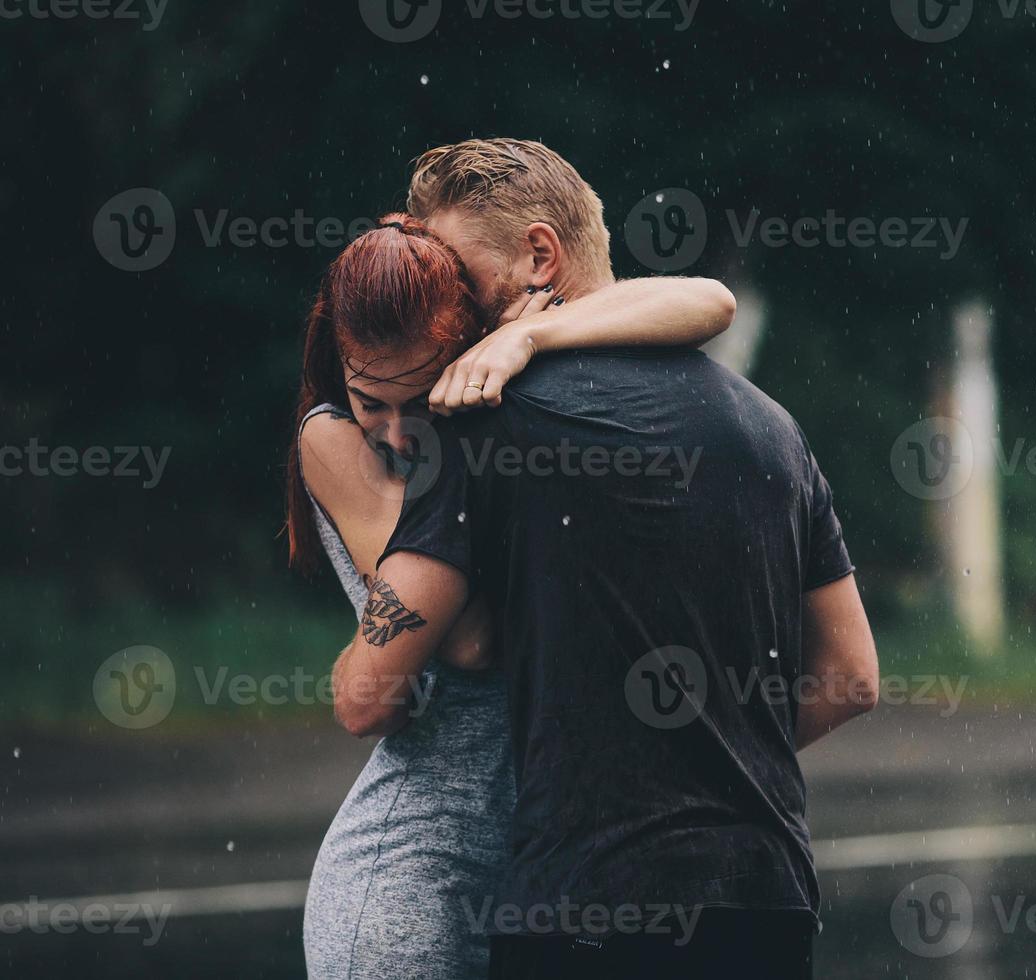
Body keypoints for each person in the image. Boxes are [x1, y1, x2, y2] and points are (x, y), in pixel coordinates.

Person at [332, 138, 880, 979]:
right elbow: (852, 677)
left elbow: (368, 694)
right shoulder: (771, 427)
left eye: (461, 280)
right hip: (764, 900)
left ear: (539, 255)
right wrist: (709, 758)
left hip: (583, 906)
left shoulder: (487, 425)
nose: (449, 311)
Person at [287, 205, 738, 978]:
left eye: (418, 399)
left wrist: (533, 335)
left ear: (464, 352)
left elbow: (710, 303)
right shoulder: (332, 441)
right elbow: (470, 639)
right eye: (372, 401)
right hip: (415, 880)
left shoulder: (499, 392)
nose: (396, 435)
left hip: (538, 874)